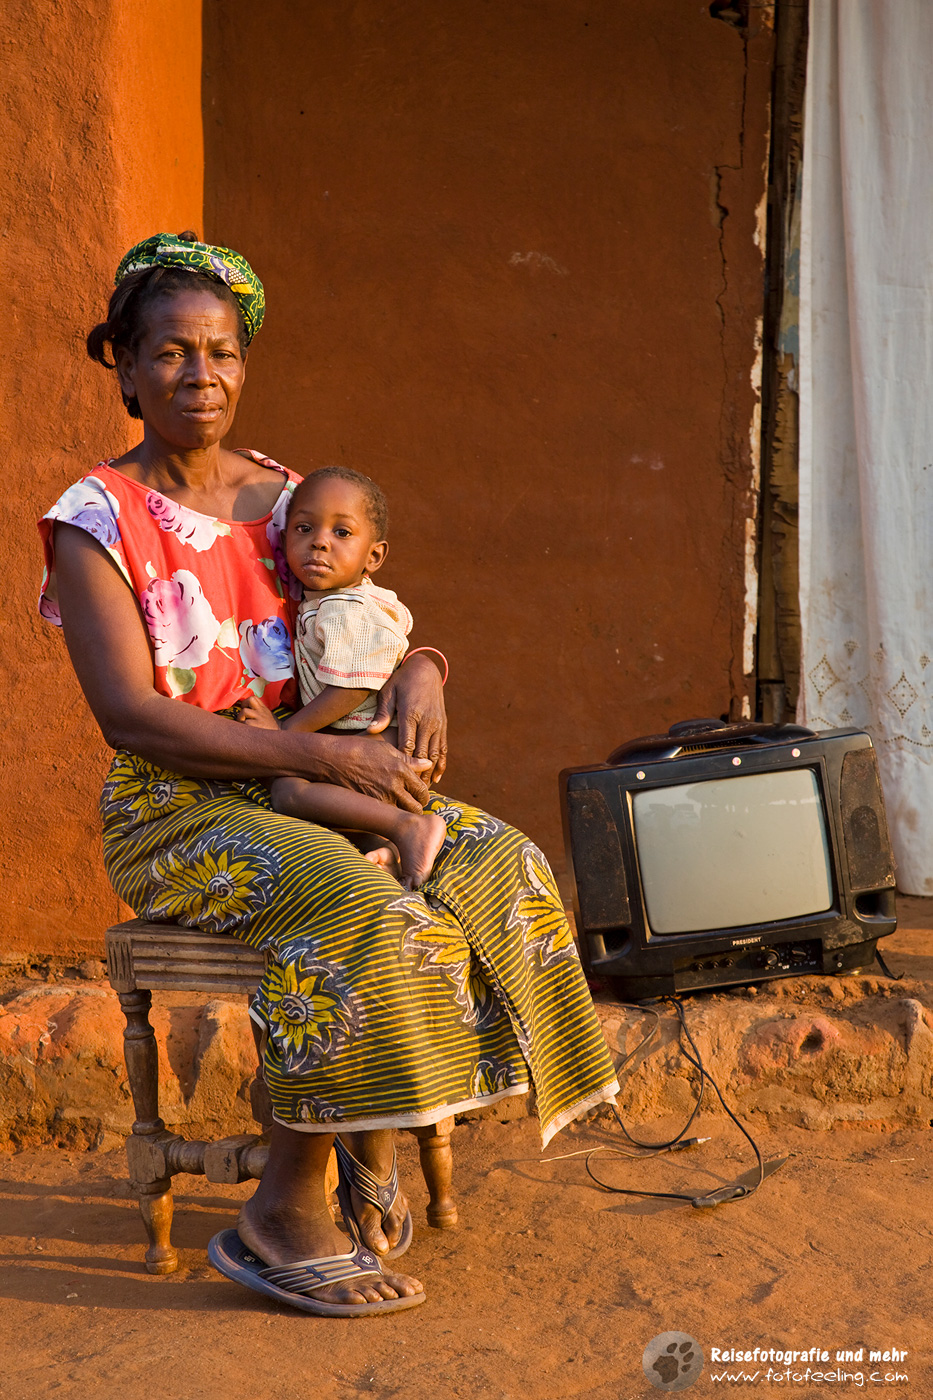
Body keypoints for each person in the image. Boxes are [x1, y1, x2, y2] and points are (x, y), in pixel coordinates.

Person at [38, 230, 620, 1318]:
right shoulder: (94, 522)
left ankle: (372, 1122)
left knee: (499, 858)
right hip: (180, 807)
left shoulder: (289, 491)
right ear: (122, 363)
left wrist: (431, 670)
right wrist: (322, 751)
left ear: (245, 362)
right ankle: (283, 1208)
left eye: (220, 351)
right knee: (360, 901)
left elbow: (365, 623)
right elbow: (132, 716)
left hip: (317, 771)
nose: (199, 376)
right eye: (169, 353)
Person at [234, 464, 449, 890]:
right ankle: (385, 847)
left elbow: (353, 687)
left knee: (288, 792)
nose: (319, 541)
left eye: (342, 533)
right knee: (331, 811)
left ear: (374, 556)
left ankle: (410, 829)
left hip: (372, 741)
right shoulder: (329, 601)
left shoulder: (344, 609)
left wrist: (283, 737)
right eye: (304, 528)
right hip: (358, 737)